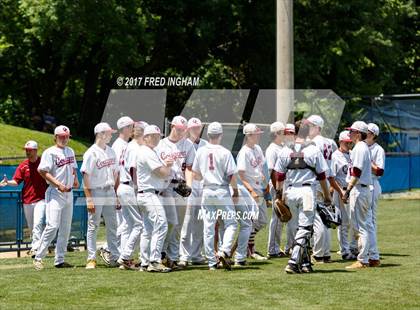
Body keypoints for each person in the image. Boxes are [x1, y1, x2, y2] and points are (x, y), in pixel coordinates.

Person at [274, 120, 331, 274]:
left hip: (290, 192)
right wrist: (327, 195)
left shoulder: (285, 150)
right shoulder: (314, 150)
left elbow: (279, 176)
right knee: (305, 229)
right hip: (307, 192)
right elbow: (322, 176)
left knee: (297, 229)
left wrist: (279, 196)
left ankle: (305, 263)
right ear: (307, 132)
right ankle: (293, 262)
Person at [192, 122, 238, 270]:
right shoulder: (225, 152)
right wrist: (235, 191)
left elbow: (196, 175)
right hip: (221, 189)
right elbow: (232, 175)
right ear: (221, 135)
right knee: (231, 223)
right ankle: (224, 250)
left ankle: (212, 262)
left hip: (206, 190)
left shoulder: (200, 151)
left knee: (209, 226)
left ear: (208, 135)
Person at [33, 125, 79, 270]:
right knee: (52, 226)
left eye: (66, 137)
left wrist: (76, 179)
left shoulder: (70, 151)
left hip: (69, 193)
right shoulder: (50, 152)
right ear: (55, 137)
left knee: (65, 228)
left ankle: (59, 259)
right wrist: (58, 184)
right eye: (61, 136)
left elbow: (73, 168)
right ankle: (38, 257)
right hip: (55, 192)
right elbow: (42, 170)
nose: (64, 139)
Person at [155, 116, 196, 269]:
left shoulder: (188, 145)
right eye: (178, 129)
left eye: (183, 130)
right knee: (167, 222)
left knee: (178, 224)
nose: (180, 132)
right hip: (165, 187)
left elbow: (190, 168)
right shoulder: (160, 144)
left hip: (180, 187)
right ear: (172, 126)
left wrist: (189, 186)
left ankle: (172, 257)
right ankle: (160, 253)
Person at [81, 122, 120, 269]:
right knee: (93, 225)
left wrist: (116, 194)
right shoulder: (91, 152)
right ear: (101, 134)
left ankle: (114, 257)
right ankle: (91, 258)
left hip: (109, 190)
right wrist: (89, 198)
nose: (111, 135)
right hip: (96, 191)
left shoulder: (111, 151)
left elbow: (116, 173)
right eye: (109, 133)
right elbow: (85, 176)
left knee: (112, 225)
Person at [306, 115, 343, 263]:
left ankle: (319, 254)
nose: (307, 128)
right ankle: (326, 253)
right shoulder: (330, 142)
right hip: (325, 182)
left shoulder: (313, 143)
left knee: (318, 220)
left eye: (310, 125)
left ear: (317, 127)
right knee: (326, 219)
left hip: (316, 182)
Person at [0, 141, 47, 257]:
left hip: (42, 199)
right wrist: (7, 182)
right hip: (27, 200)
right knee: (32, 227)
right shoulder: (23, 165)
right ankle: (42, 247)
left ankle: (35, 249)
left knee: (37, 224)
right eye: (26, 150)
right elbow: (16, 181)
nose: (27, 152)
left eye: (29, 150)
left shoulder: (44, 163)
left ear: (35, 150)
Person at [137, 125, 173, 272]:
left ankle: (145, 262)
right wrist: (169, 165)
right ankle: (154, 261)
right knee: (162, 225)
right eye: (153, 136)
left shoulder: (149, 151)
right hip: (149, 194)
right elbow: (162, 173)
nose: (157, 138)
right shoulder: (147, 152)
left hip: (147, 194)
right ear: (145, 137)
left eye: (158, 136)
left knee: (148, 230)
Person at [99, 116, 134, 264]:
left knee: (127, 224)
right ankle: (107, 248)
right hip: (122, 187)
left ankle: (121, 254)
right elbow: (116, 171)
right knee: (126, 223)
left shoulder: (124, 144)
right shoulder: (119, 146)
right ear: (125, 128)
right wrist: (116, 193)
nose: (133, 129)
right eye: (131, 126)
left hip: (125, 187)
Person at [117, 121, 148, 270]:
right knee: (138, 225)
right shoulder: (135, 148)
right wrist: (139, 187)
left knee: (129, 225)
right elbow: (133, 170)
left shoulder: (130, 146)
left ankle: (125, 259)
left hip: (124, 187)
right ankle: (125, 256)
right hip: (129, 187)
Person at [343, 121, 373, 269]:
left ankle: (363, 260)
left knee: (361, 227)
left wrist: (348, 190)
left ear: (359, 134)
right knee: (361, 226)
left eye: (352, 131)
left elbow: (357, 172)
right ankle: (367, 257)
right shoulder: (361, 147)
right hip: (361, 189)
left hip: (359, 189)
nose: (350, 133)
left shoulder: (360, 148)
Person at [237, 123, 268, 260]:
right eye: (256, 134)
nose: (258, 136)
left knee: (261, 220)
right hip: (249, 190)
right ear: (249, 136)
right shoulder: (244, 152)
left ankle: (247, 247)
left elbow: (260, 167)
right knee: (252, 220)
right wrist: (251, 191)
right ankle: (249, 249)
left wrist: (263, 178)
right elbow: (241, 175)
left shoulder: (258, 148)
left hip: (259, 187)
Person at [179, 118, 207, 266]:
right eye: (193, 128)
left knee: (200, 222)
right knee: (186, 222)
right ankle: (183, 255)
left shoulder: (205, 144)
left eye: (198, 128)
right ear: (187, 129)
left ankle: (196, 254)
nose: (196, 130)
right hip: (188, 186)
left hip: (202, 186)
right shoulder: (182, 144)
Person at [331, 130, 356, 260]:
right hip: (341, 191)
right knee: (343, 222)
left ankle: (352, 248)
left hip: (352, 190)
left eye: (350, 142)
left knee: (352, 222)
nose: (349, 144)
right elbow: (332, 178)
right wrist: (341, 192)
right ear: (340, 142)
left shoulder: (352, 154)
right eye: (346, 142)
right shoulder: (335, 156)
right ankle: (344, 251)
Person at [265, 122, 288, 258]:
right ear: (276, 134)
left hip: (283, 186)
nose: (284, 134)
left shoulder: (282, 147)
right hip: (276, 187)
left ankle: (276, 247)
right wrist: (278, 190)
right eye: (282, 132)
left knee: (282, 218)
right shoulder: (272, 149)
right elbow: (272, 171)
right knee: (277, 217)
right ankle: (272, 249)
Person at [366, 123, 385, 267]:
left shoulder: (378, 149)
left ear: (373, 134)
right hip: (363, 184)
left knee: (370, 219)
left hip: (372, 184)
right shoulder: (360, 147)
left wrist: (368, 162)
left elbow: (379, 171)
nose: (365, 133)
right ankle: (364, 249)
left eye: (368, 132)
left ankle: (373, 253)